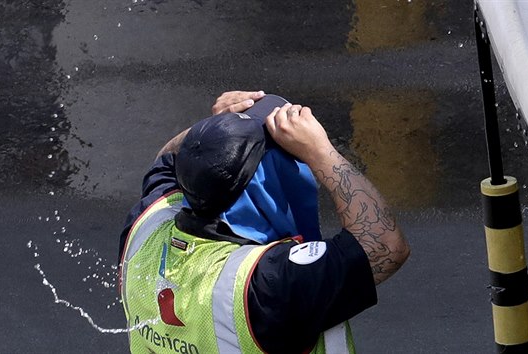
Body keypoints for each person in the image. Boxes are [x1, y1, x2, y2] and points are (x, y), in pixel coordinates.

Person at [118, 91, 410, 354]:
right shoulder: (268, 284)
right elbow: (384, 244)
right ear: (261, 187)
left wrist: (215, 134)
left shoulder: (147, 228)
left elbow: (168, 160)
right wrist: (321, 152)